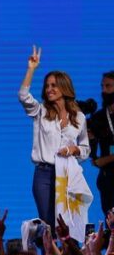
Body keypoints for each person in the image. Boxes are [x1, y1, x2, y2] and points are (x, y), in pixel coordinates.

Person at [19, 46, 89, 227]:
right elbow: (23, 96)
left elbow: (85, 149)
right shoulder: (40, 111)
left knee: (69, 226)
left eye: (54, 85)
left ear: (64, 88)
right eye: (47, 85)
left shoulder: (79, 117)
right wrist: (31, 69)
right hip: (44, 174)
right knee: (48, 224)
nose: (49, 89)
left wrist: (74, 149)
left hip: (68, 174)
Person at [88, 70, 114, 214]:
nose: (104, 91)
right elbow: (93, 157)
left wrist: (109, 158)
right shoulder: (98, 118)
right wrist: (90, 138)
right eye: (102, 86)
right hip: (108, 179)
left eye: (108, 86)